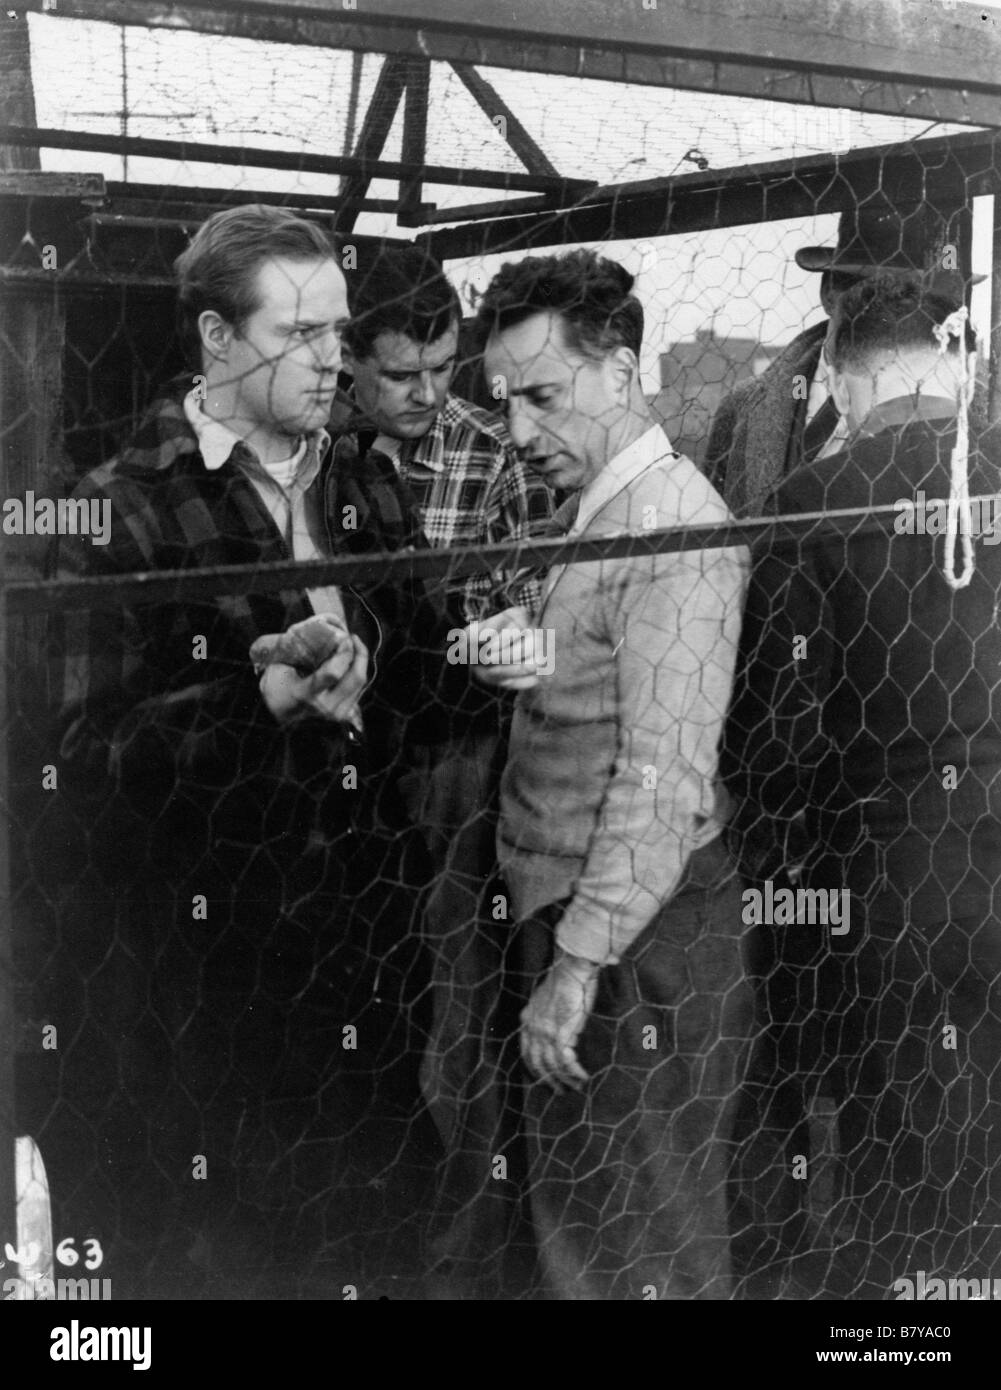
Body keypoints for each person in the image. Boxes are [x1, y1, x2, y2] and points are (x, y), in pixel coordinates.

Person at [41, 205, 459, 1294]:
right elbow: (78, 761)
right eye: (300, 334)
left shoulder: (363, 481)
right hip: (212, 970)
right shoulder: (117, 510)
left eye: (336, 329)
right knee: (240, 1252)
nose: (333, 360)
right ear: (217, 340)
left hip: (372, 935)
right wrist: (256, 702)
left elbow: (414, 682)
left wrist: (450, 663)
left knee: (382, 1228)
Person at [472, 248, 751, 1299]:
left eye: (541, 396)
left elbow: (662, 776)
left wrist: (579, 964)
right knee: (586, 1224)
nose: (516, 433)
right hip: (595, 915)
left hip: (635, 936)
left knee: (641, 1246)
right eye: (506, 402)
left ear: (622, 372)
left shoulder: (672, 526)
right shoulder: (603, 507)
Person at [724, 273, 1001, 1297]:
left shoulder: (811, 501)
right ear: (960, 362)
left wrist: (779, 874)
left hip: (889, 871)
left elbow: (783, 727)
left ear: (839, 382)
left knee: (900, 1132)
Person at [333, 244, 554, 1295]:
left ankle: (455, 1263)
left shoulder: (493, 453)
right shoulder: (315, 454)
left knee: (455, 1023)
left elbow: (527, 612)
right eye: (398, 375)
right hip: (331, 763)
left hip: (454, 763)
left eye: (440, 367)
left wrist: (477, 637)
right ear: (346, 360)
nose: (426, 395)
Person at [704, 201, 976, 517]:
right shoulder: (742, 406)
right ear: (829, 293)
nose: (891, 312)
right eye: (873, 296)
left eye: (908, 298)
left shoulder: (974, 400)